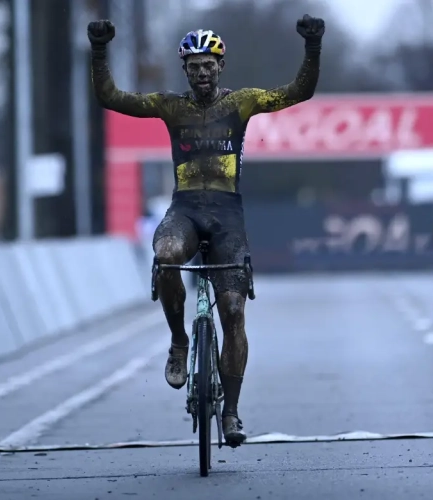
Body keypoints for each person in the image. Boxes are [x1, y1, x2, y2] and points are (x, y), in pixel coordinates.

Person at [87, 15, 325, 447]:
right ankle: (180, 341)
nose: (201, 72)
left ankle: (231, 413)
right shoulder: (169, 107)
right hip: (185, 210)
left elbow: (298, 91)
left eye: (208, 65)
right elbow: (110, 97)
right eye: (193, 66)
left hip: (227, 216)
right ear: (185, 70)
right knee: (166, 255)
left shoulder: (243, 102)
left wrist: (313, 45)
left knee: (233, 310)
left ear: (220, 67)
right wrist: (99, 51)